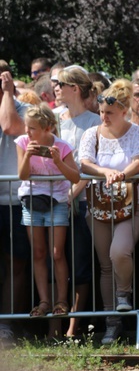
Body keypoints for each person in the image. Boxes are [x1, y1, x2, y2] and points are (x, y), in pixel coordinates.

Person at [79, 80, 139, 344]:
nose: (103, 117)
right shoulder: (93, 134)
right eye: (101, 112)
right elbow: (85, 163)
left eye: (108, 112)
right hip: (99, 206)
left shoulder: (138, 133)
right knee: (105, 266)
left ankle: (124, 295)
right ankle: (112, 323)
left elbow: (138, 162)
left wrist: (122, 174)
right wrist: (106, 172)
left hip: (133, 204)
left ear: (123, 110)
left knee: (119, 251)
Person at [16, 104, 79, 319]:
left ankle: (62, 300)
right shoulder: (22, 143)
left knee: (57, 253)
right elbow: (22, 175)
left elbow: (75, 177)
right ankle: (44, 301)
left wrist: (58, 161)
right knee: (39, 253)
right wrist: (27, 156)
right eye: (27, 127)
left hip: (57, 201)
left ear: (46, 129)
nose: (27, 132)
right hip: (31, 202)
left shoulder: (62, 146)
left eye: (32, 128)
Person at [55, 65, 102, 337]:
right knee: (57, 259)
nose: (56, 87)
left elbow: (88, 165)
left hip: (82, 200)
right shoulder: (56, 118)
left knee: (81, 262)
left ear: (75, 88)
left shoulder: (94, 121)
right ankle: (56, 324)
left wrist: (71, 194)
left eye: (61, 83)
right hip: (55, 201)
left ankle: (74, 326)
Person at [0, 70, 31, 344]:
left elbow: (11, 126)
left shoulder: (27, 110)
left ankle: (7, 325)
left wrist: (8, 94)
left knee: (16, 264)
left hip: (15, 200)